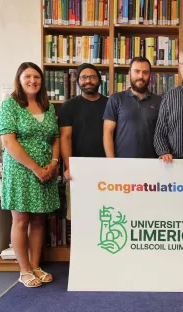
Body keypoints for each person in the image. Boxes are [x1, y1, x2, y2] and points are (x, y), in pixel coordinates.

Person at [0, 62, 60, 287]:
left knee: (39, 220)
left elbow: (55, 137)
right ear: (19, 79)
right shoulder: (10, 105)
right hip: (21, 171)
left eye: (36, 77)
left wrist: (53, 163)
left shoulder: (48, 106)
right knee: (21, 219)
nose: (32, 81)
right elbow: (8, 141)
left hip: (46, 170)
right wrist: (36, 168)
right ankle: (23, 270)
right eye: (28, 77)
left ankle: (35, 266)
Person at [59, 63, 108, 220]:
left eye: (92, 77)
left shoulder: (110, 104)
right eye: (84, 77)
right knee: (78, 218)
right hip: (78, 172)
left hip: (105, 170)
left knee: (104, 215)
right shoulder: (69, 106)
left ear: (99, 81)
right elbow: (65, 138)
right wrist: (68, 167)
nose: (88, 81)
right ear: (78, 81)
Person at [103, 56, 161, 158]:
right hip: (122, 163)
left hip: (152, 163)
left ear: (150, 76)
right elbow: (108, 132)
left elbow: (163, 133)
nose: (141, 76)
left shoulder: (159, 101)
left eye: (145, 72)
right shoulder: (116, 99)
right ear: (129, 73)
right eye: (136, 71)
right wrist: (111, 163)